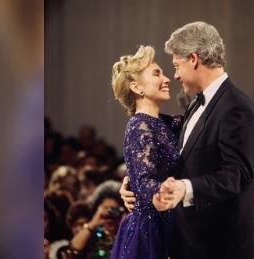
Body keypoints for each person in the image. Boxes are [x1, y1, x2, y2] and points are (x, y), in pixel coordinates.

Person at [120, 21, 254, 259]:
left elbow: (238, 174)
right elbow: (173, 158)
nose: (173, 75)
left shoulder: (236, 108)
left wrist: (184, 188)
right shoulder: (194, 104)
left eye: (176, 66)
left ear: (193, 59)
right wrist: (134, 184)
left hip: (221, 248)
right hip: (188, 243)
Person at [109, 46, 182, 259]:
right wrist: (181, 191)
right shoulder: (139, 126)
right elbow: (144, 182)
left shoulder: (165, 123)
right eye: (157, 73)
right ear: (137, 87)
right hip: (150, 231)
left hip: (165, 222)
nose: (167, 78)